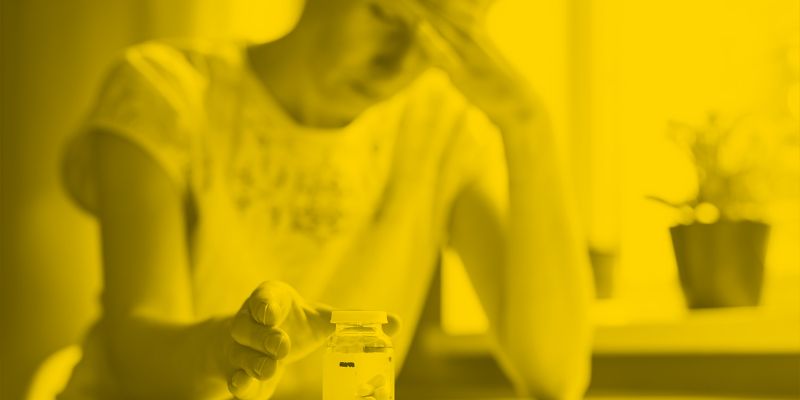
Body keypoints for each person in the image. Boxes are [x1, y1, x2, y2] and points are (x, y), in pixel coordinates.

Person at [59, 0, 593, 398]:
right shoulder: (166, 90)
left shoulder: (440, 131)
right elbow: (137, 357)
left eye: (440, 36)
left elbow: (554, 375)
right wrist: (232, 348)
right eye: (387, 14)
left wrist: (526, 124)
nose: (401, 61)